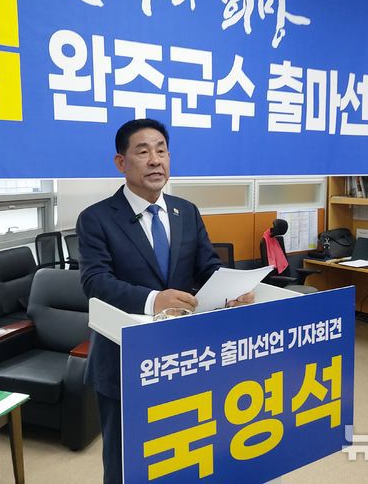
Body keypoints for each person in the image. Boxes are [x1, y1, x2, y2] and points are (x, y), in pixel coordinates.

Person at [76, 118, 254, 484]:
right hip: (123, 358)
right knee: (124, 461)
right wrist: (154, 299)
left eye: (162, 150)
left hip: (182, 355)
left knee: (180, 450)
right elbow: (95, 283)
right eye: (143, 151)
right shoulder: (96, 219)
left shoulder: (185, 211)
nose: (156, 160)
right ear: (121, 162)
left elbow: (207, 267)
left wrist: (231, 290)